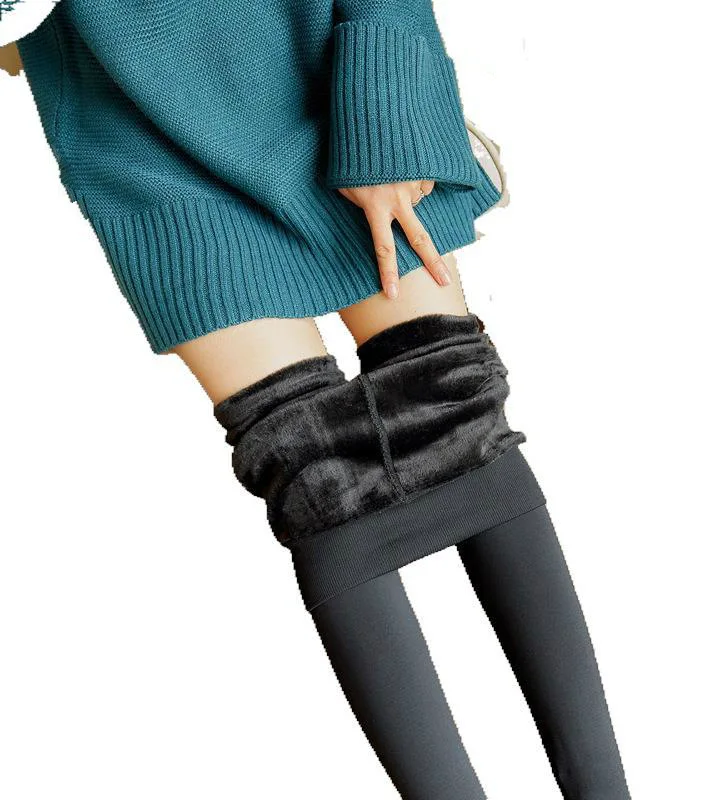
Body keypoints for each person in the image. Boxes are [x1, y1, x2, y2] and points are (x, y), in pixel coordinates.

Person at [8, 2, 632, 797]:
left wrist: (386, 112)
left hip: (327, 80)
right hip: (143, 143)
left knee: (453, 407)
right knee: (313, 475)